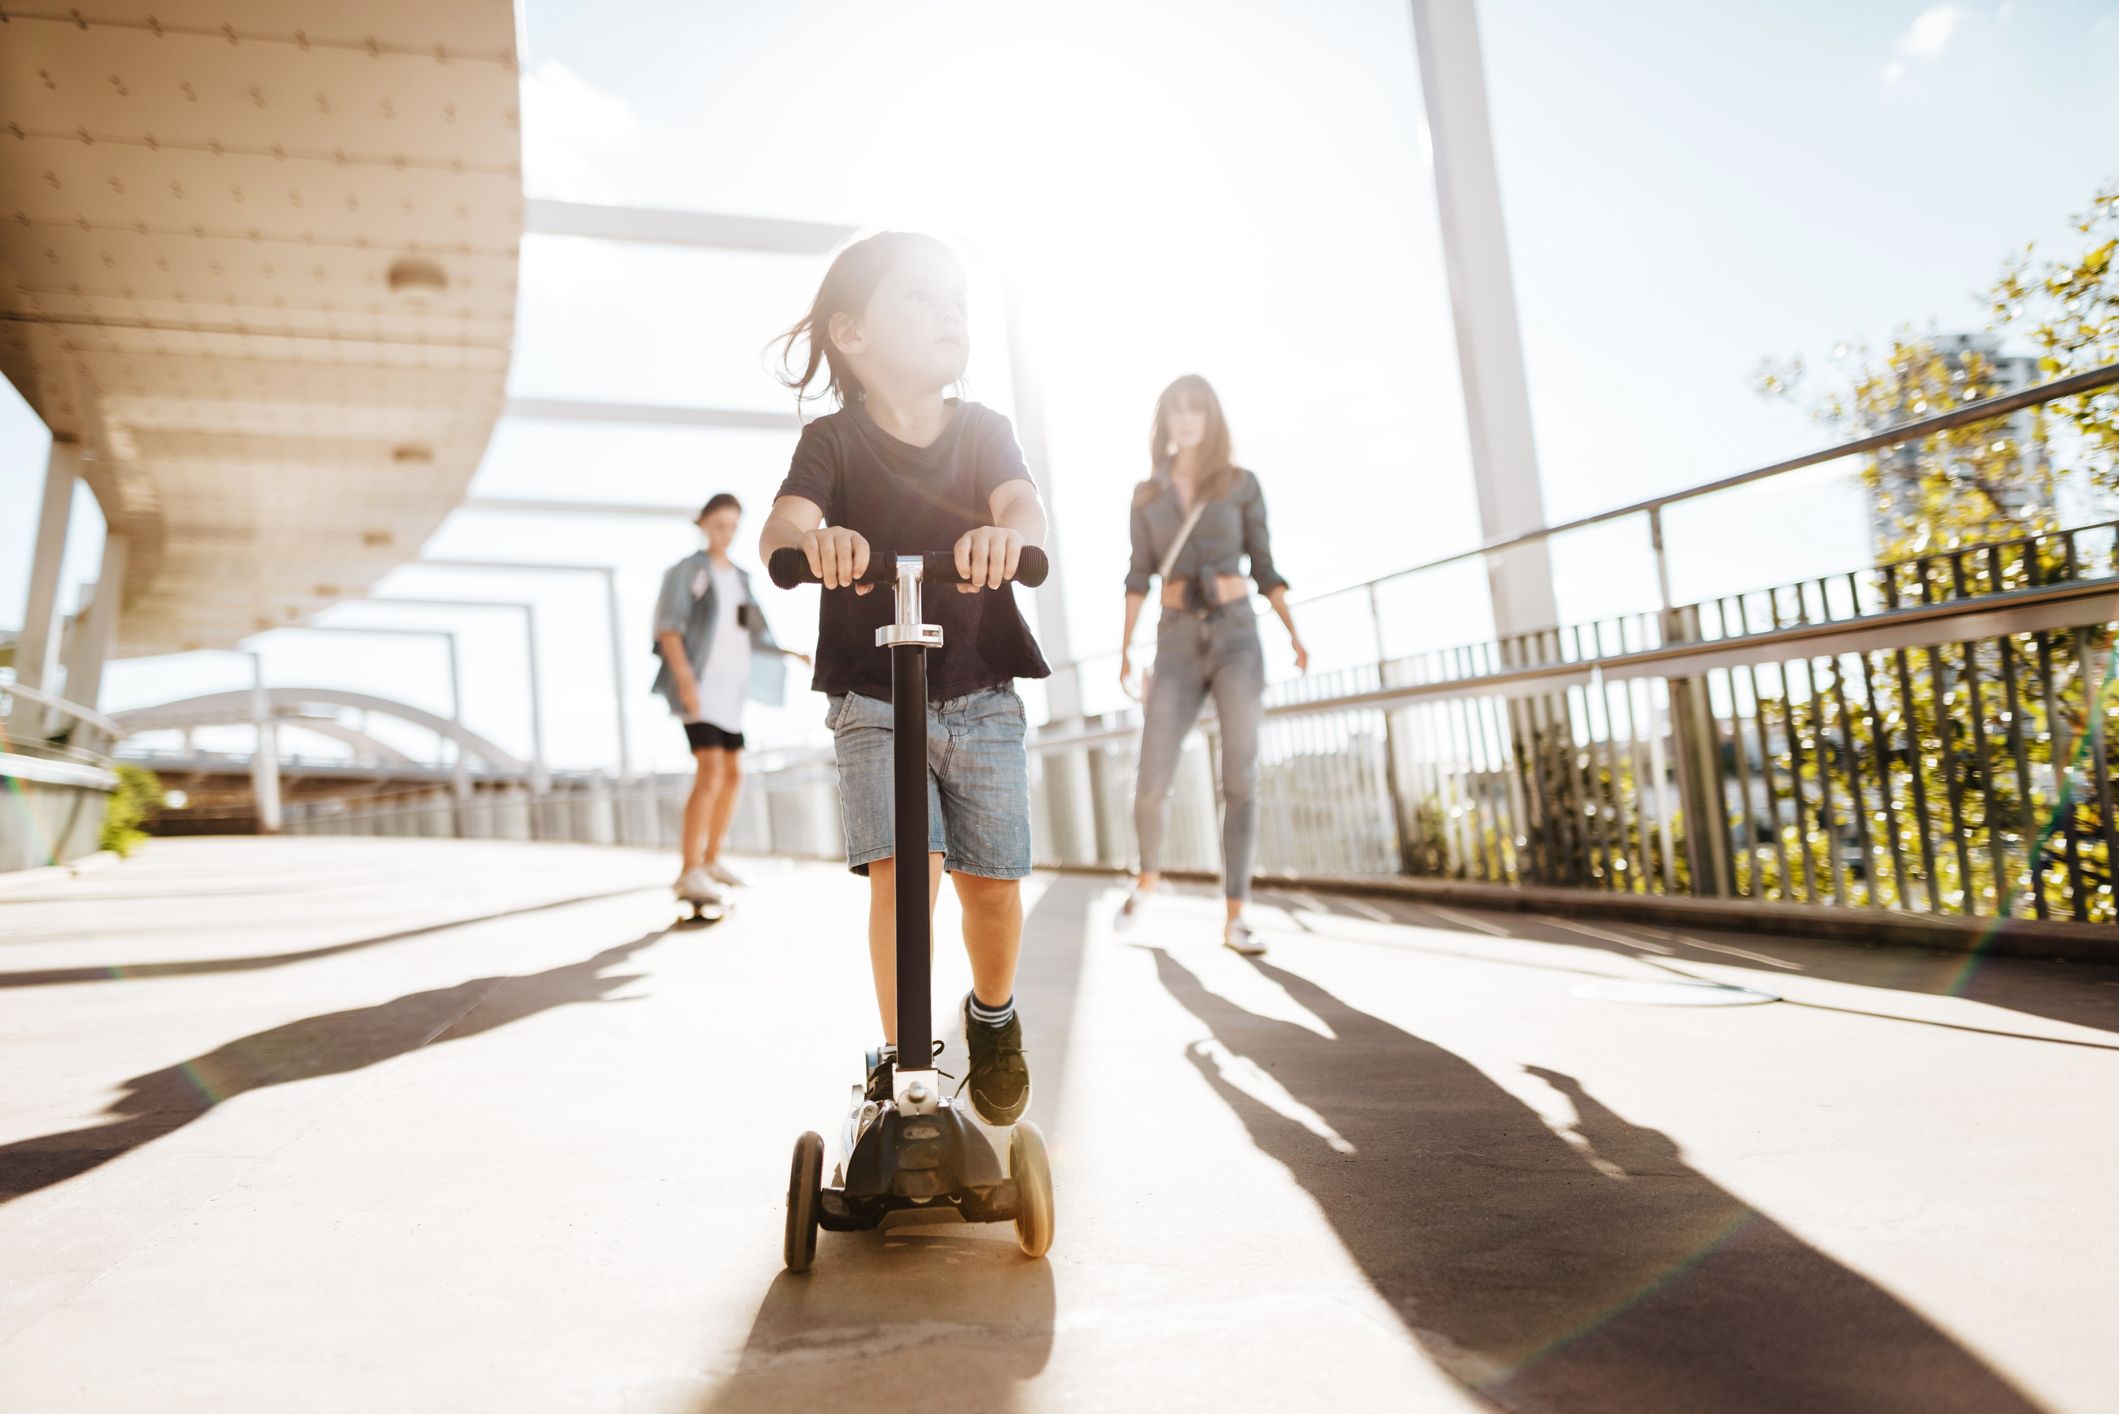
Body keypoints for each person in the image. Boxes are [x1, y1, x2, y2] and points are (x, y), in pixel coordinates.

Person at [758, 231, 1050, 1126]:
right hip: (875, 700)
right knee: (903, 876)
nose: (948, 314)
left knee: (992, 888)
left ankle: (990, 1014)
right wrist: (815, 542)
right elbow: (781, 529)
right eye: (918, 298)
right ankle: (906, 1060)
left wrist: (1012, 536)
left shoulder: (981, 431)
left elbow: (1022, 506)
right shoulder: (832, 443)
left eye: (954, 300)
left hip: (981, 691)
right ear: (850, 335)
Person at [1116, 374, 1306, 955]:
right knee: (1151, 783)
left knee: (1240, 778)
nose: (1186, 419)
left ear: (1212, 417)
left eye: (1196, 408)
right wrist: (1124, 648)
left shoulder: (1241, 485)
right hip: (1173, 642)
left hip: (1236, 635)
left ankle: (1235, 916)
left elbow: (1266, 567)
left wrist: (1295, 633)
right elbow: (1137, 575)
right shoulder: (1146, 495)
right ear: (1165, 421)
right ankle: (1148, 873)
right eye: (1176, 409)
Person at [652, 493, 797, 904]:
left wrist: (790, 653)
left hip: (730, 691)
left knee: (733, 774)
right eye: (719, 525)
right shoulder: (688, 571)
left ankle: (712, 859)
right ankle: (688, 869)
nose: (726, 535)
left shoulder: (740, 577)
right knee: (710, 770)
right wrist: (685, 683)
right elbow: (668, 628)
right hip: (699, 685)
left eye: (733, 527)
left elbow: (754, 631)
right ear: (703, 525)